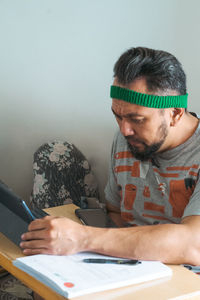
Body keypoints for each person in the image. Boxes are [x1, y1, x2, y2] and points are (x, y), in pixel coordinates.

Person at [20, 47, 200, 267]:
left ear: (175, 113)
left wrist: (82, 238)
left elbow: (192, 244)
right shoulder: (129, 139)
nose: (125, 130)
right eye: (118, 116)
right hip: (131, 269)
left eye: (137, 119)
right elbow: (116, 213)